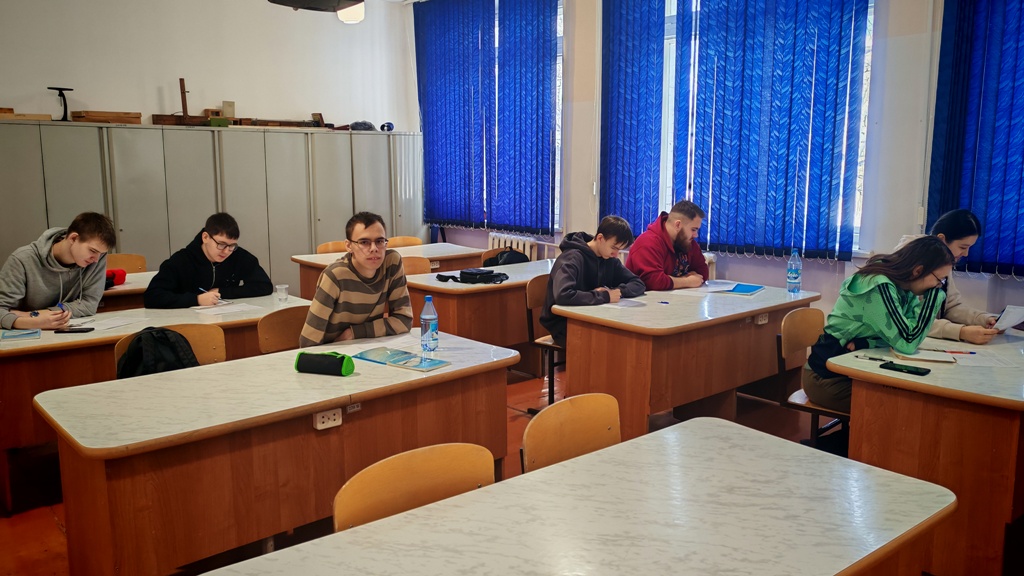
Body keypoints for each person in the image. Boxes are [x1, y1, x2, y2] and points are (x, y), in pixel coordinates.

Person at [803, 236, 955, 413]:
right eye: (939, 279)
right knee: (903, 407)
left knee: (911, 398)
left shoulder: (905, 288)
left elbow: (907, 332)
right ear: (918, 271)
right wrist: (934, 299)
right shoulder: (878, 286)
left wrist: (868, 343)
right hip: (826, 379)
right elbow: (908, 342)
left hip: (852, 370)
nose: (939, 286)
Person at [299, 212, 412, 347]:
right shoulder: (335, 276)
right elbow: (308, 343)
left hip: (368, 347)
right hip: (333, 351)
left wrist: (354, 333)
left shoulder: (391, 262)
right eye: (364, 242)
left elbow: (404, 320)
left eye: (379, 241)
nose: (374, 249)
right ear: (349, 246)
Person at [894, 209, 1000, 344]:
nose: (966, 254)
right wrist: (961, 332)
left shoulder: (943, 260)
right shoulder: (910, 262)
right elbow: (910, 319)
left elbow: (949, 307)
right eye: (963, 247)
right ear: (942, 239)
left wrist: (984, 319)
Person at [540, 216, 647, 347]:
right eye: (614, 248)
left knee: (626, 337)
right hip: (565, 324)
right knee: (611, 343)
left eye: (619, 249)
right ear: (600, 238)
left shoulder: (609, 260)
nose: (616, 254)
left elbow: (638, 283)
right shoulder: (572, 258)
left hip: (593, 318)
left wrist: (616, 292)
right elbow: (563, 295)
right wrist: (604, 296)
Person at [0, 212, 117, 330]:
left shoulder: (96, 258)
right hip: (26, 335)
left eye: (101, 253)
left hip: (64, 330)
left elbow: (89, 304)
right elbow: (1, 310)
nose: (96, 260)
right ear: (73, 238)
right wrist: (33, 322)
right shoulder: (21, 260)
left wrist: (35, 314)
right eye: (92, 251)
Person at [144, 212, 272, 309]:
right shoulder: (181, 261)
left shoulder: (239, 256)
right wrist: (197, 300)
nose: (226, 251)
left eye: (232, 245)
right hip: (188, 323)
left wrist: (221, 292)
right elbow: (152, 297)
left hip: (226, 317)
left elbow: (264, 286)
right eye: (221, 244)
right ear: (205, 237)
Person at [625, 199, 710, 290]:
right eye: (693, 229)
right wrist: (687, 281)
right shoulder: (648, 242)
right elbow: (654, 281)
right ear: (678, 225)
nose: (696, 235)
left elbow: (703, 271)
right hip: (647, 298)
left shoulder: (686, 241)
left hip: (675, 297)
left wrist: (691, 278)